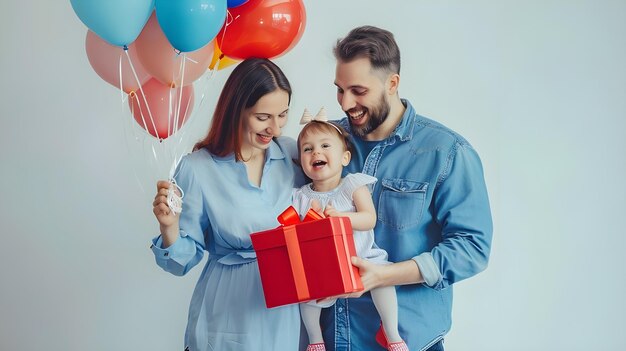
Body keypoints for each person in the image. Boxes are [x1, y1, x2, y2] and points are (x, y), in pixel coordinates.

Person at [318, 26, 493, 351]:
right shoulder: (326, 144)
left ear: (392, 83)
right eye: (339, 90)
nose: (346, 103)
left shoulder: (447, 151)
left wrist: (385, 276)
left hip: (408, 344)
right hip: (332, 340)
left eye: (358, 90)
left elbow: (472, 247)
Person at [150, 57, 303, 351]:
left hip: (287, 312)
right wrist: (169, 227)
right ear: (237, 111)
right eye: (263, 117)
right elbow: (182, 262)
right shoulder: (197, 168)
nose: (276, 128)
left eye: (282, 115)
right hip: (228, 311)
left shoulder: (294, 154)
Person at [293, 109, 408, 351]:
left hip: (360, 259)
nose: (316, 152)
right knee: (305, 294)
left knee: (383, 281)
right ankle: (315, 339)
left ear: (345, 158)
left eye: (325, 146)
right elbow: (294, 232)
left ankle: (391, 332)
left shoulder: (352, 185)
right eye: (307, 149)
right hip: (325, 265)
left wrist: (340, 218)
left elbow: (369, 219)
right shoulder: (302, 196)